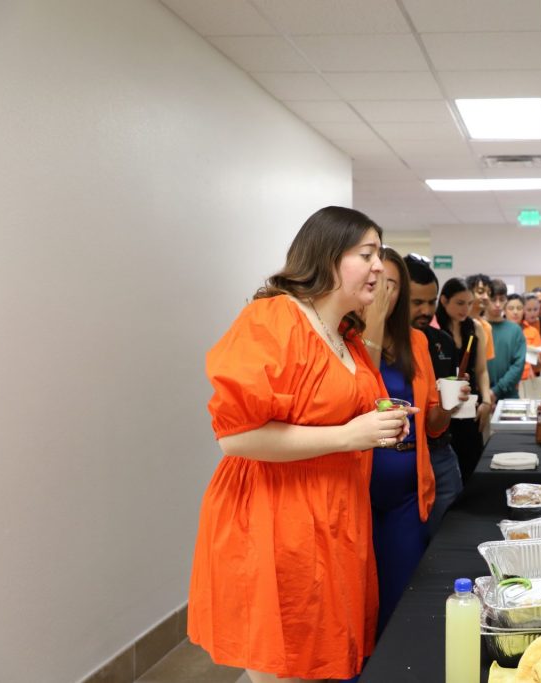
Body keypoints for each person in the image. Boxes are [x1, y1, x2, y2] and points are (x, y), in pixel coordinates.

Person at [189, 206, 411, 683]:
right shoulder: (273, 319)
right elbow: (235, 437)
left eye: (380, 254)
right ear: (328, 256)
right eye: (367, 254)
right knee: (284, 663)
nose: (379, 266)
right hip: (275, 516)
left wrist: (381, 423)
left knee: (317, 661)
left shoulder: (345, 334)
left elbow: (342, 411)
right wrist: (350, 435)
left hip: (333, 515)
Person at [363, 248, 466, 633]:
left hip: (408, 489)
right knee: (359, 596)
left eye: (392, 285)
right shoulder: (346, 336)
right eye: (377, 284)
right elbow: (360, 394)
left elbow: (432, 426)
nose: (383, 293)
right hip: (357, 487)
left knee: (402, 589)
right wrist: (374, 324)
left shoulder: (417, 342)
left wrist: (451, 404)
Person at [403, 254, 467, 535]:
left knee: (449, 533)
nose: (426, 310)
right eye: (417, 302)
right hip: (402, 455)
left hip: (439, 451)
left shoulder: (442, 342)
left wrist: (453, 399)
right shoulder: (380, 346)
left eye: (431, 302)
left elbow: (439, 414)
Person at [436, 277, 492, 483]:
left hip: (471, 404)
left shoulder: (475, 328)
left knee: (472, 463)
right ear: (444, 300)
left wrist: (486, 401)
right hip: (443, 406)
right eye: (460, 303)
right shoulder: (435, 330)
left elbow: (481, 370)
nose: (465, 309)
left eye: (469, 303)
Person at [484, 278, 526, 401]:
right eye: (493, 299)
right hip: (480, 396)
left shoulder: (515, 330)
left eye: (502, 300)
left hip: (509, 397)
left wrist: (496, 391)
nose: (498, 305)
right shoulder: (477, 327)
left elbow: (518, 366)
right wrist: (485, 392)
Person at [505, 293, 541, 381]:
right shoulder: (497, 330)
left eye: (519, 308)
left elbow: (538, 367)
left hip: (526, 381)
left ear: (523, 311)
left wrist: (534, 358)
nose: (515, 312)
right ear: (504, 310)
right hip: (503, 379)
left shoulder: (533, 332)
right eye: (511, 308)